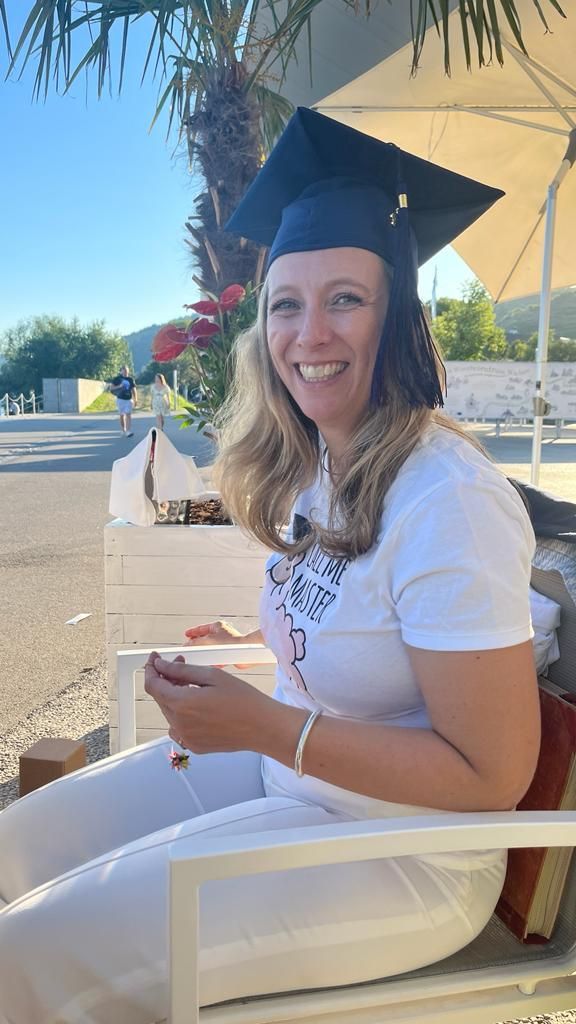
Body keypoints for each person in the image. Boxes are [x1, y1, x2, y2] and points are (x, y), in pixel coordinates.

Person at [0, 108, 540, 1023]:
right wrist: (262, 650)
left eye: (346, 298)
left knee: (26, 955)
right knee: (17, 846)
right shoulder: (327, 465)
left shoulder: (447, 498)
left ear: (398, 318)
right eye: (286, 302)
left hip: (400, 852)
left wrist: (261, 726)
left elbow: (493, 775)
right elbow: (372, 637)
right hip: (290, 776)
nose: (308, 331)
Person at [109, 364, 138, 437]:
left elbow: (134, 389)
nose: (125, 372)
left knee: (128, 414)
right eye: (124, 370)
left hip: (128, 399)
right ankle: (123, 429)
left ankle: (128, 431)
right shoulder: (117, 379)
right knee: (122, 415)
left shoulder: (130, 379)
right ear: (121, 371)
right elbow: (111, 388)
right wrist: (119, 386)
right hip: (120, 399)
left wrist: (136, 399)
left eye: (127, 371)